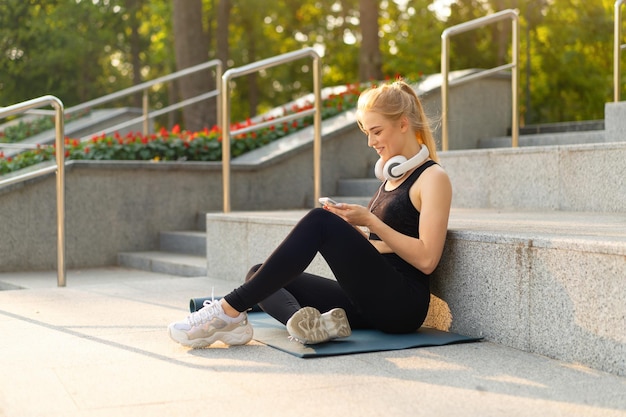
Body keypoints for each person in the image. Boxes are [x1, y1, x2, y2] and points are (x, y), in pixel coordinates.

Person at [168, 79, 452, 348]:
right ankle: (308, 325)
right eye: (367, 133)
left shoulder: (432, 178)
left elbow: (427, 259)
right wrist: (355, 234)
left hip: (402, 305)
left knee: (319, 221)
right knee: (257, 274)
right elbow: (389, 246)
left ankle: (227, 311)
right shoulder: (390, 179)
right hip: (371, 299)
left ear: (403, 124)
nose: (370, 142)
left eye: (376, 131)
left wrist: (369, 221)